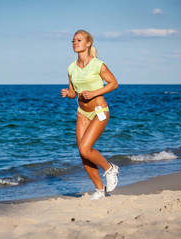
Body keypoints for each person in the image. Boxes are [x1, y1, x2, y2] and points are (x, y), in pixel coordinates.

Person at [61, 30, 119, 200]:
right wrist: (67, 93)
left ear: (88, 43)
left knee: (86, 148)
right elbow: (73, 92)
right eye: (73, 41)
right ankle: (100, 190)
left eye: (78, 40)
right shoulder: (71, 68)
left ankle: (110, 169)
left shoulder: (98, 65)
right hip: (82, 113)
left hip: (99, 111)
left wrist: (94, 93)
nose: (75, 43)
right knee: (83, 152)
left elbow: (114, 83)